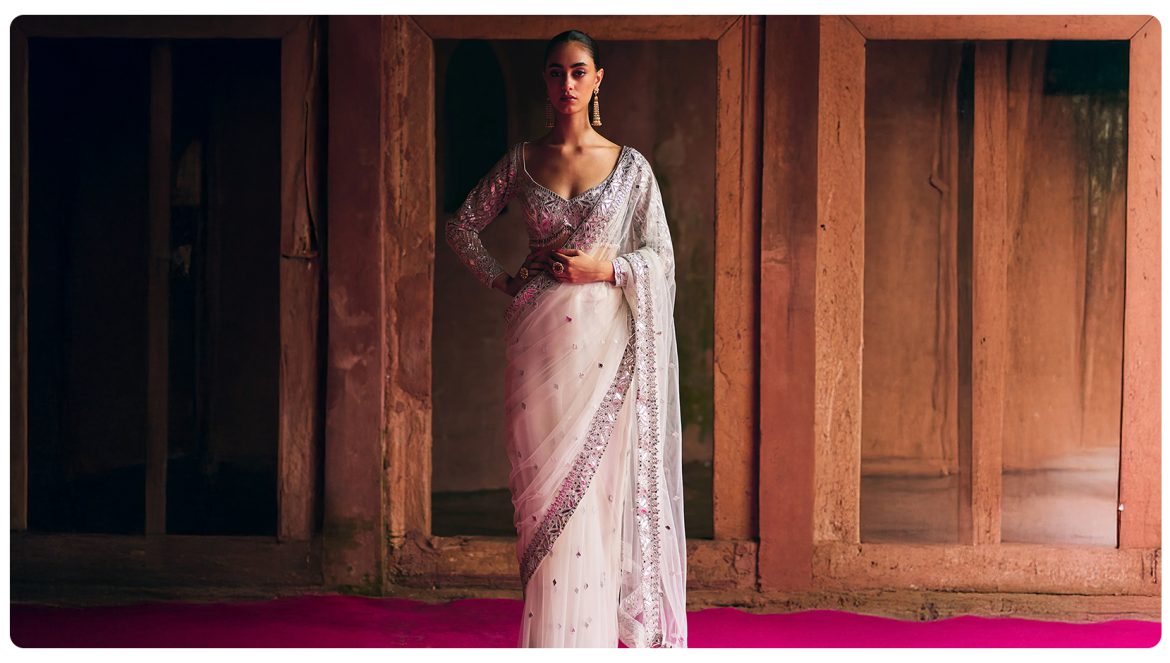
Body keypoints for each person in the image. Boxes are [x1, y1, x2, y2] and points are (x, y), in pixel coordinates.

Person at [445, 29, 687, 648]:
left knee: (596, 495)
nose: (567, 84)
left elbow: (660, 256)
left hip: (605, 353)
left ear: (598, 78)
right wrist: (505, 282)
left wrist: (604, 269)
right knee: (546, 502)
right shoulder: (523, 162)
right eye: (556, 73)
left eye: (579, 72)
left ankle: (592, 639)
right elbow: (462, 227)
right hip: (538, 346)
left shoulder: (632, 168)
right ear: (544, 82)